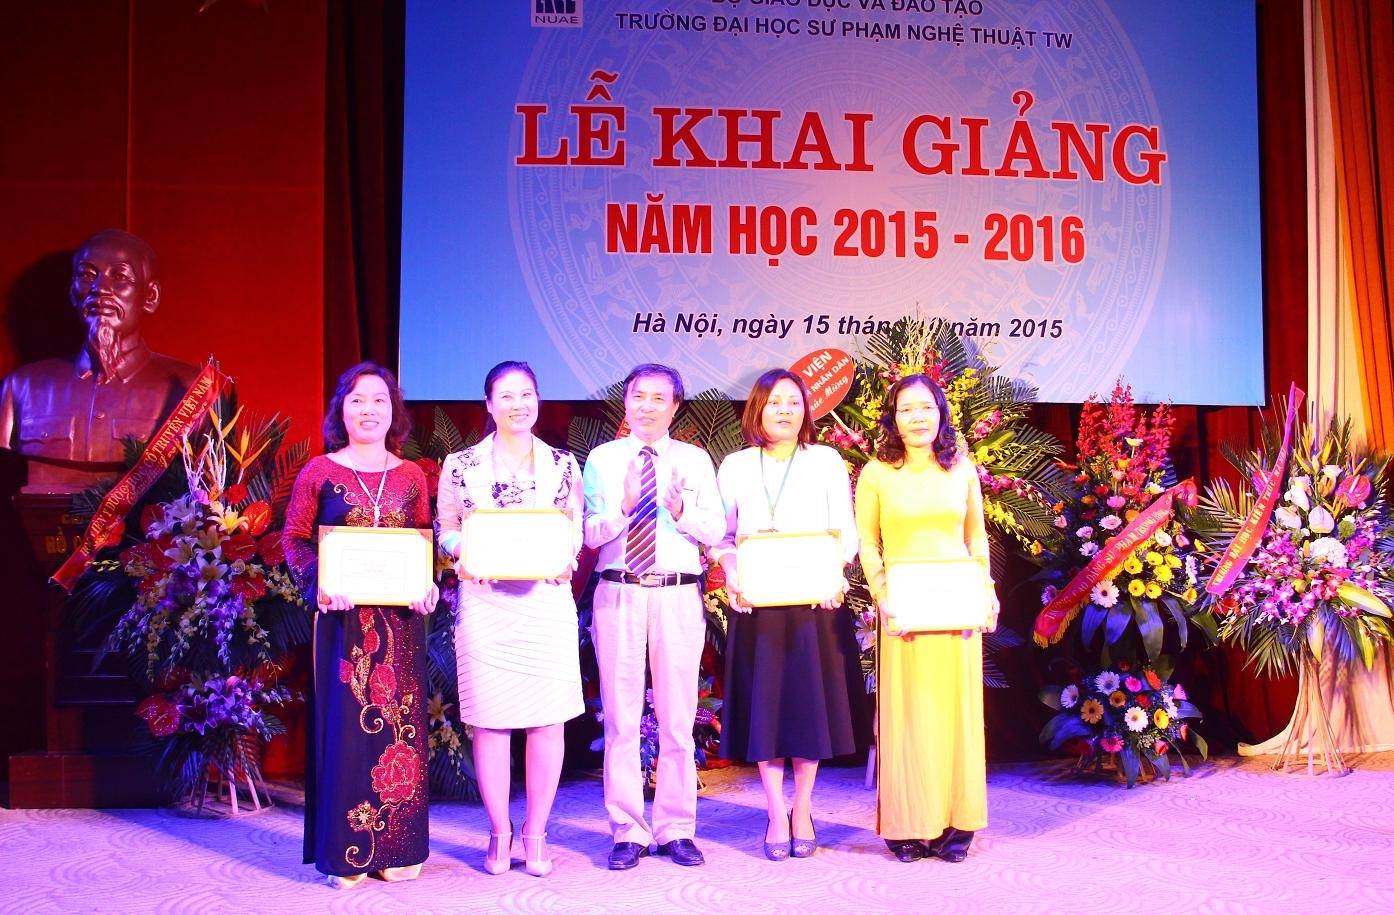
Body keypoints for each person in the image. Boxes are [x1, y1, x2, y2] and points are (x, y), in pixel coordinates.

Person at [283, 362, 438, 889]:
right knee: (346, 732)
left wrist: (427, 585)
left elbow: (421, 542)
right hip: (343, 623)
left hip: (400, 625)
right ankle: (346, 851)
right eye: (357, 400)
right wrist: (320, 583)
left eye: (379, 400)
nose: (368, 410)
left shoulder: (411, 475)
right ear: (341, 411)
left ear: (393, 411)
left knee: (399, 730)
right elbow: (294, 540)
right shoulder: (319, 471)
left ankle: (398, 847)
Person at [436, 361, 583, 878]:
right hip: (485, 604)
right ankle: (499, 830)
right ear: (489, 404)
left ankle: (536, 831)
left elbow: (573, 529)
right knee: (490, 723)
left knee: (548, 720)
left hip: (544, 604)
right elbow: (446, 528)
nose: (518, 404)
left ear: (537, 400)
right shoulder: (460, 465)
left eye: (526, 394)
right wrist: (466, 550)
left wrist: (564, 556)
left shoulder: (562, 464)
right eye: (506, 395)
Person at [715, 369, 870, 860]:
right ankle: (774, 810)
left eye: (795, 402)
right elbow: (723, 536)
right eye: (775, 402)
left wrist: (835, 575)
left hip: (812, 604)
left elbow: (845, 532)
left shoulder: (824, 460)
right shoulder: (737, 466)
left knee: (808, 710)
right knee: (766, 712)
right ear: (757, 409)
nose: (785, 410)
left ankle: (802, 808)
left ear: (806, 410)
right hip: (757, 605)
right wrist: (731, 572)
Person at [582, 363, 725, 870]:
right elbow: (589, 534)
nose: (646, 406)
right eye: (638, 396)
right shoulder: (602, 459)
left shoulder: (694, 460)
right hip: (618, 591)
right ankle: (627, 830)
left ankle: (675, 828)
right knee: (621, 720)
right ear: (626, 402)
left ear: (675, 406)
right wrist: (622, 508)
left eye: (658, 398)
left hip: (676, 594)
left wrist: (682, 512)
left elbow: (715, 530)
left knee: (678, 719)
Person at [855, 374, 998, 864]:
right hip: (905, 612)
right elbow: (868, 542)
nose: (918, 418)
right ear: (893, 419)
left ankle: (958, 825)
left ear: (941, 414)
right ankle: (909, 827)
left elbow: (975, 537)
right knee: (909, 719)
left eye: (927, 408)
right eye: (907, 409)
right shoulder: (877, 473)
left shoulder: (962, 470)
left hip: (957, 609)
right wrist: (882, 595)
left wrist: (987, 590)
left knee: (958, 718)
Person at [0, 228, 199, 491]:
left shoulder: (190, 390)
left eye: (120, 276)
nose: (100, 289)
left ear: (150, 296)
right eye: (87, 275)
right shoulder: (21, 387)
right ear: (73, 292)